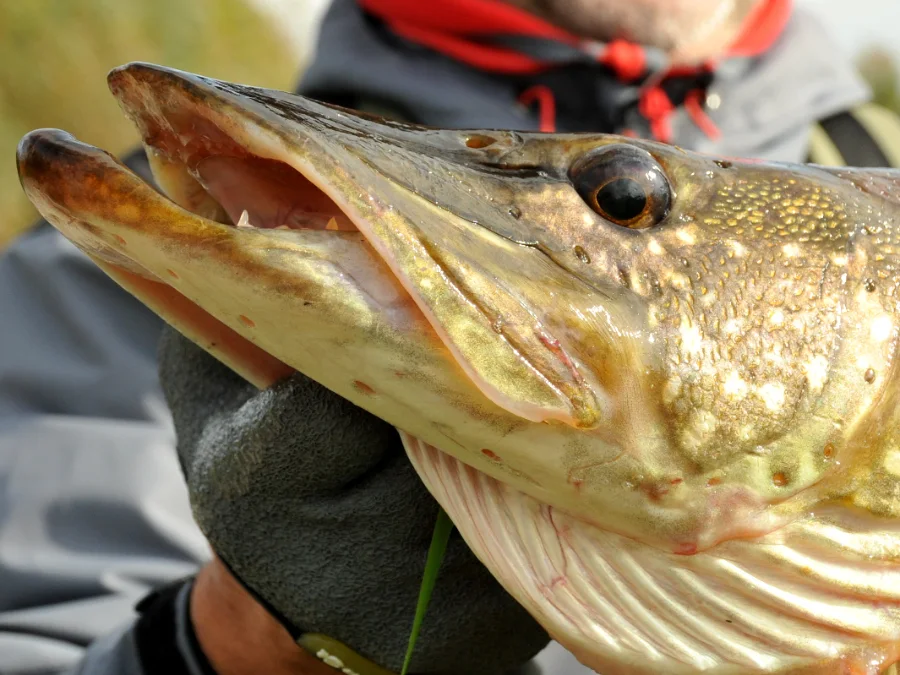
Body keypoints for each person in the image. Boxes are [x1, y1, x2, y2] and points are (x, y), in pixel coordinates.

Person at [2, 0, 899, 674]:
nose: (619, 210)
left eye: (627, 204)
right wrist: (248, 636)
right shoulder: (132, 253)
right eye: (618, 200)